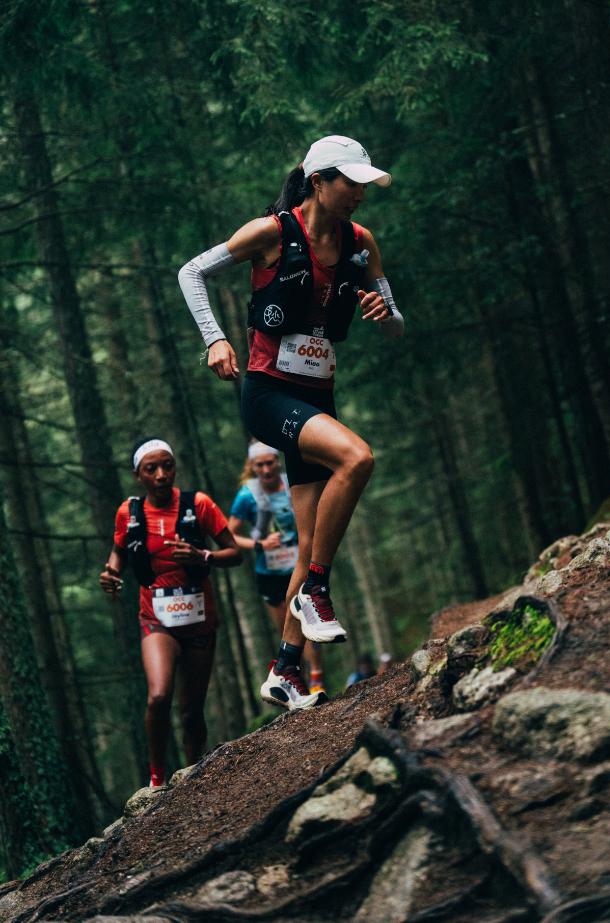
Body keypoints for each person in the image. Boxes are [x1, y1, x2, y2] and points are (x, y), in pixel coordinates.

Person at [178, 134, 404, 711]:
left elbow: (394, 320)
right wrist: (216, 339)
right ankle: (319, 593)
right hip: (269, 394)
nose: (359, 193)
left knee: (307, 543)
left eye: (362, 183)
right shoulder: (271, 233)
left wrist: (383, 310)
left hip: (318, 397)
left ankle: (285, 671)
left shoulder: (362, 244)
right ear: (318, 182)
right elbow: (191, 273)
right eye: (349, 182)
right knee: (358, 458)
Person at [99, 437, 241, 787]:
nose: (162, 475)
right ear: (138, 475)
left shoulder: (199, 504)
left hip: (199, 618)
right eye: (151, 469)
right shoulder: (128, 513)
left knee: (192, 711)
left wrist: (203, 557)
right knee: (159, 695)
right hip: (155, 617)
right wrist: (112, 572)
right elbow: (118, 550)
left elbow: (235, 553)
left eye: (168, 466)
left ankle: (192, 780)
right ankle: (157, 779)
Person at [229, 440, 326, 694]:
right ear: (252, 466)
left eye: (269, 462)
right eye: (259, 465)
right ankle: (299, 683)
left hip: (299, 564)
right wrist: (259, 544)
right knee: (287, 628)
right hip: (269, 573)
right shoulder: (246, 495)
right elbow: (230, 535)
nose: (266, 470)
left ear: (277, 460)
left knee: (308, 621)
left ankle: (317, 678)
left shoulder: (293, 485)